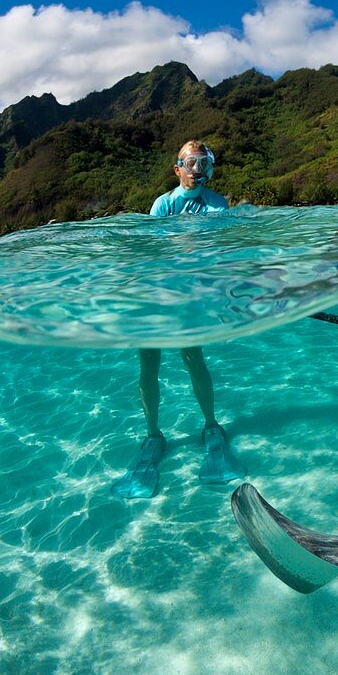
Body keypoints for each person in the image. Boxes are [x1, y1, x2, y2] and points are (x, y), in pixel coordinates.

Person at [112, 140, 245, 499]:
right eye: (192, 163)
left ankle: (211, 427)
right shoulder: (163, 204)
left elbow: (220, 249)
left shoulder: (217, 203)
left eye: (206, 163)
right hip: (156, 296)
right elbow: (153, 251)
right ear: (177, 168)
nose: (199, 169)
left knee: (192, 357)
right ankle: (153, 434)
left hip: (190, 299)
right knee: (148, 364)